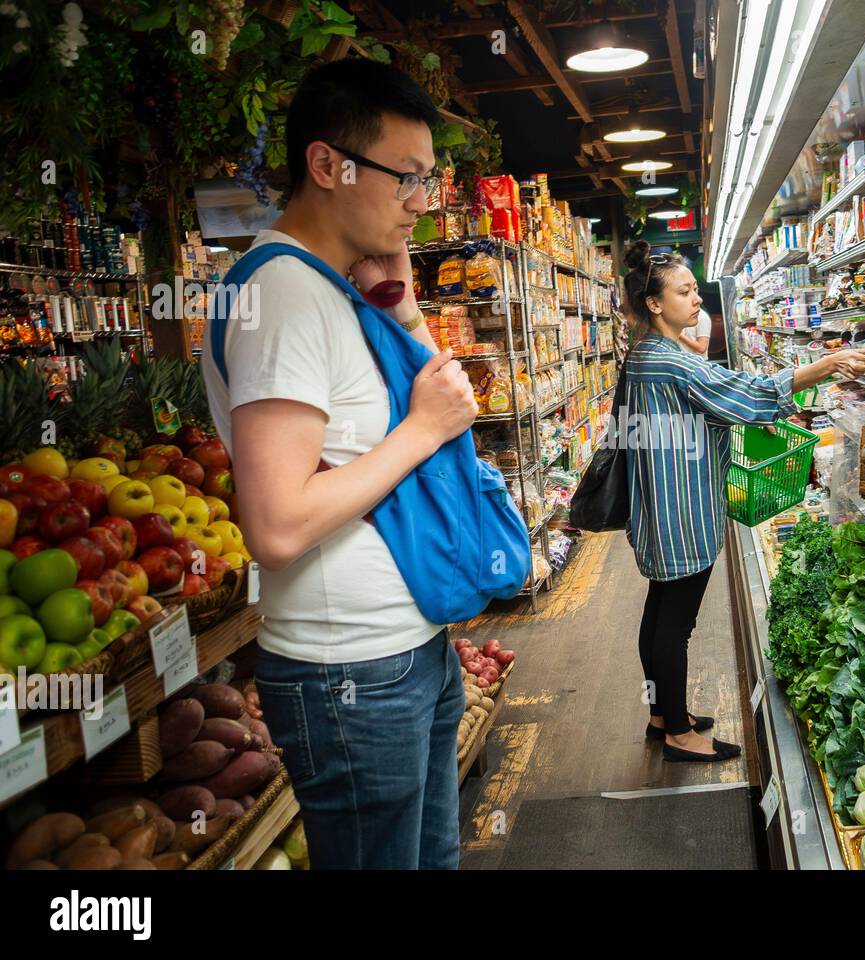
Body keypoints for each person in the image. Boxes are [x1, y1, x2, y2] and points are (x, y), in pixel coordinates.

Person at [199, 59, 478, 869]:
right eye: (407, 177)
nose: (421, 202)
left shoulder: (333, 287)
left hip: (402, 652)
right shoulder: (280, 294)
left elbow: (439, 400)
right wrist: (420, 431)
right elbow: (278, 526)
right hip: (349, 673)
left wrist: (409, 313)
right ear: (328, 165)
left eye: (429, 180)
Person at [620, 241, 865, 762]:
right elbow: (752, 396)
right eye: (684, 292)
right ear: (654, 304)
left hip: (659, 503)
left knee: (659, 608)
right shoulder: (673, 363)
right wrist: (824, 365)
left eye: (695, 289)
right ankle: (679, 737)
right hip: (682, 509)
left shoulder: (646, 354)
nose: (696, 300)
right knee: (676, 623)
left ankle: (664, 713)